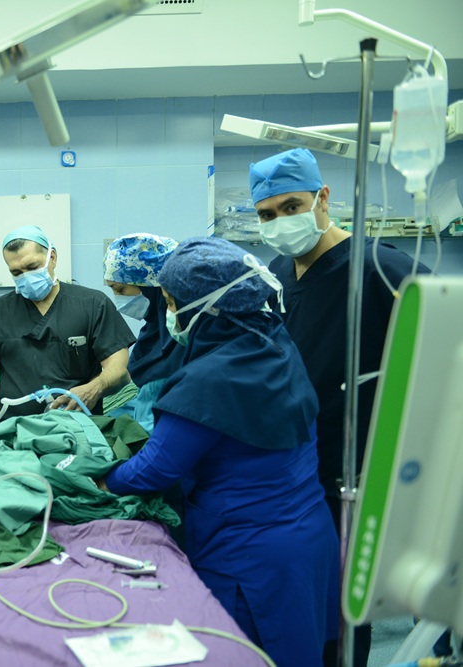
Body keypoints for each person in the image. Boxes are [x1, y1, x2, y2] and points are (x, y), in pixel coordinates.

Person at [99, 236, 339, 667]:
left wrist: (97, 480)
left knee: (248, 654)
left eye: (170, 302)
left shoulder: (208, 380)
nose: (168, 312)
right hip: (309, 536)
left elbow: (153, 470)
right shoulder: (274, 341)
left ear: (203, 306)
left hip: (250, 553)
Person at [250, 148, 427, 666]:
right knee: (311, 604)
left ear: (323, 197)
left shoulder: (383, 268)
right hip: (300, 465)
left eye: (291, 207)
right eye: (267, 214)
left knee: (348, 610)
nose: (280, 222)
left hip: (361, 467)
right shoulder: (276, 273)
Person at [0, 225, 133, 418]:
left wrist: (93, 389)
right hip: (15, 429)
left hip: (77, 428)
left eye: (32, 267)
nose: (26, 276)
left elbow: (119, 372)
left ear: (52, 257)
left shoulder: (93, 305)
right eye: (17, 272)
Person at [102, 233, 184, 432]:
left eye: (120, 290)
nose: (118, 299)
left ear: (150, 286)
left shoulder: (180, 340)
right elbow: (144, 400)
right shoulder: (154, 332)